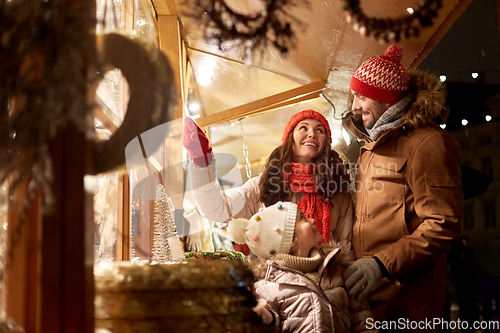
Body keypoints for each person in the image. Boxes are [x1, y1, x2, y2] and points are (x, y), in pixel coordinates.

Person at [342, 44, 463, 328]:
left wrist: (381, 264)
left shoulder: (428, 143)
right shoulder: (372, 145)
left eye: (361, 96)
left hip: (409, 307)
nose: (354, 107)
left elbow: (443, 223)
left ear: (386, 99)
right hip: (370, 303)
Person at [182, 109, 354, 259]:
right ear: (290, 138)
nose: (312, 134)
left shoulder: (337, 191)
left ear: (325, 144)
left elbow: (345, 247)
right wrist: (202, 162)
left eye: (320, 130)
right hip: (276, 284)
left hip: (326, 286)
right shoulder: (262, 186)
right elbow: (216, 210)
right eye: (304, 127)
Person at [227, 201, 376, 333]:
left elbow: (361, 319)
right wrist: (268, 318)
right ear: (290, 239)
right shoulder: (267, 287)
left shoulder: (334, 269)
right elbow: (269, 322)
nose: (311, 219)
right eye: (302, 218)